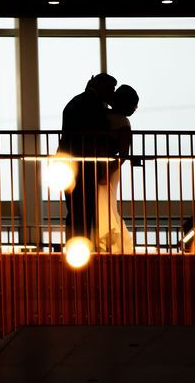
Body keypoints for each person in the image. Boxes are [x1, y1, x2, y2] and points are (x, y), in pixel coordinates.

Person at [58, 73, 117, 245]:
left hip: (68, 162)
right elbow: (98, 134)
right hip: (84, 164)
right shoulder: (93, 105)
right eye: (110, 89)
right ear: (101, 86)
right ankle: (80, 245)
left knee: (75, 208)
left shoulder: (76, 101)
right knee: (84, 207)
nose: (111, 93)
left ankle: (76, 244)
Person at [97, 84, 139, 253]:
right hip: (112, 166)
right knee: (106, 201)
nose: (135, 108)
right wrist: (110, 169)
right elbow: (123, 154)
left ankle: (104, 237)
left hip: (103, 165)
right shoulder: (123, 122)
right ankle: (108, 237)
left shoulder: (101, 116)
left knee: (102, 201)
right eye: (134, 104)